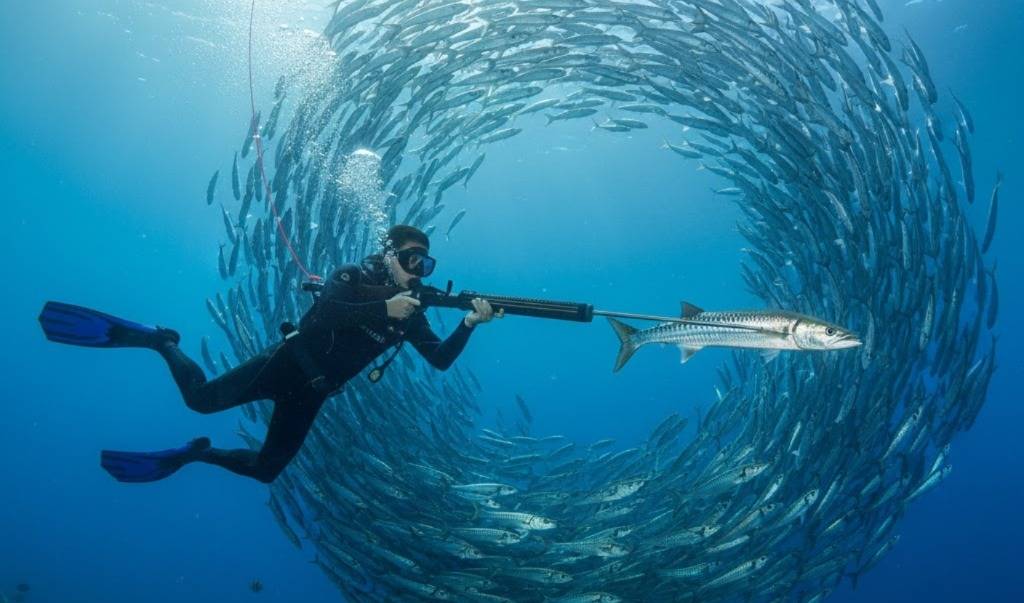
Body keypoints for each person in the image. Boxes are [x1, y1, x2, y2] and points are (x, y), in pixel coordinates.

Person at [38, 225, 500, 483]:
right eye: (411, 259)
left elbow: (440, 360)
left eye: (426, 264)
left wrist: (467, 324)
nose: (418, 271)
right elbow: (321, 318)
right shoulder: (351, 275)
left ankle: (196, 455)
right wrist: (382, 304)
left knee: (266, 470)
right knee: (199, 400)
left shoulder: (412, 316)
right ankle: (163, 341)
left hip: (315, 393)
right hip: (288, 363)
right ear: (389, 255)